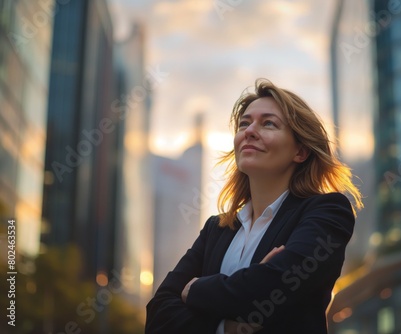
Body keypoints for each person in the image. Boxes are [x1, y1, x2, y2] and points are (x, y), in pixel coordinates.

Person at [145, 79, 363, 334]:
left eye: (268, 123)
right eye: (244, 124)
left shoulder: (327, 212)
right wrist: (225, 328)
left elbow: (276, 288)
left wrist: (194, 289)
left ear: (300, 152)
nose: (249, 131)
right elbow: (158, 316)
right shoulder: (217, 228)